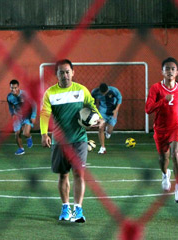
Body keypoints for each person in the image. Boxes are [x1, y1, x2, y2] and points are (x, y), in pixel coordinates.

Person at [40, 59, 103, 223]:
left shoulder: (82, 90)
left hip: (79, 139)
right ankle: (65, 207)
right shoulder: (50, 93)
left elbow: (92, 106)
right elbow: (45, 114)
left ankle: (78, 210)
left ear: (73, 72)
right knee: (63, 176)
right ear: (56, 75)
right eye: (61, 72)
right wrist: (44, 133)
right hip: (60, 141)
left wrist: (99, 119)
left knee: (79, 174)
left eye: (68, 72)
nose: (65, 75)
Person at [145, 57, 178, 203]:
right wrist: (163, 100)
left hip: (177, 126)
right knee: (163, 158)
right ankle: (165, 175)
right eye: (167, 69)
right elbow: (148, 109)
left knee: (176, 155)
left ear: (177, 72)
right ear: (162, 72)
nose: (170, 71)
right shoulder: (155, 88)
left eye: (172, 69)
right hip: (160, 129)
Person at [7, 79, 37, 155]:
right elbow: (10, 106)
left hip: (27, 115)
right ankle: (21, 149)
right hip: (17, 116)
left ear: (18, 87)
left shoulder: (25, 94)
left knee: (25, 133)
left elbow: (33, 104)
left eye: (15, 88)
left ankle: (29, 137)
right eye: (12, 88)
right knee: (17, 133)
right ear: (10, 88)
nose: (13, 89)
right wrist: (12, 114)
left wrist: (33, 116)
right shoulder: (9, 97)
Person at [91, 83, 122, 154]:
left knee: (109, 131)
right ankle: (102, 147)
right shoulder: (95, 92)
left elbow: (119, 98)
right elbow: (92, 100)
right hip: (102, 112)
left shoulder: (114, 90)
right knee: (100, 128)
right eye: (103, 93)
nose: (104, 94)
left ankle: (108, 131)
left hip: (113, 112)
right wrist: (94, 109)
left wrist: (116, 110)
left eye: (106, 92)